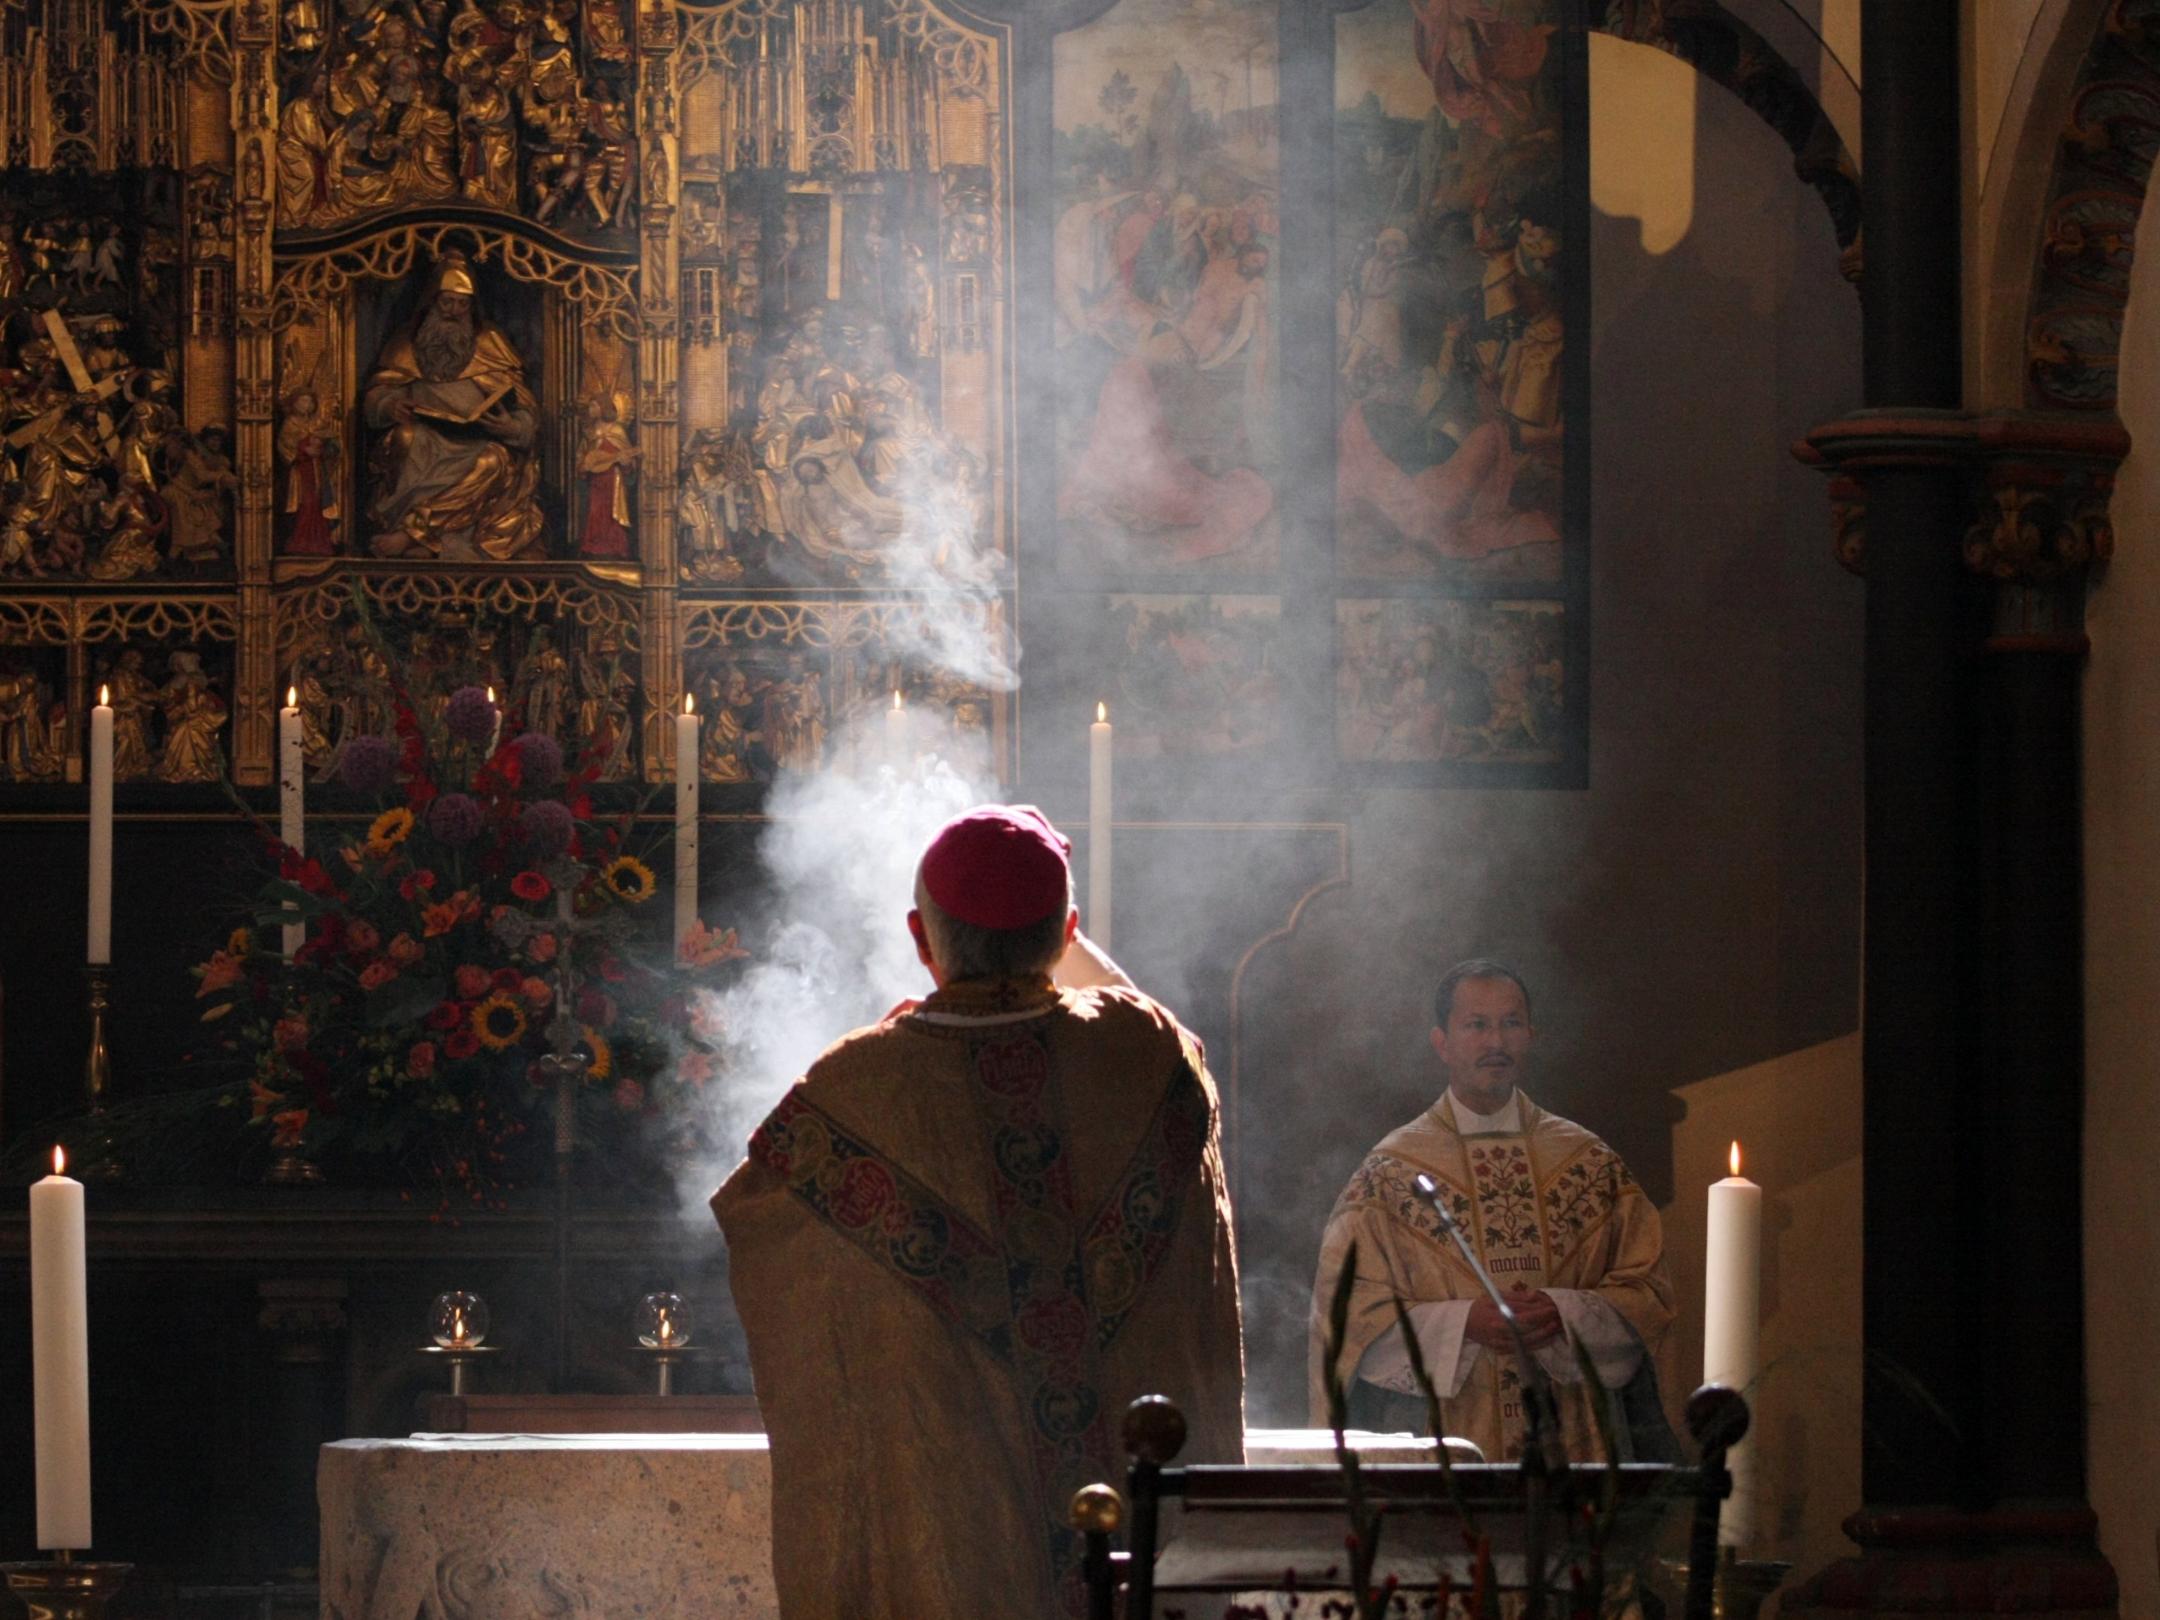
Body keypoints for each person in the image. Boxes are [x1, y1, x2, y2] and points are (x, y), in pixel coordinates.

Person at [713, 806, 1245, 1620]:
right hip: (1133, 1573)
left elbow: (756, 1217)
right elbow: (1175, 1053)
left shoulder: (856, 1093)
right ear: (1067, 931)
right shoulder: (1149, 1057)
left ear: (921, 940)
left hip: (959, 1559)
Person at [1308, 959, 1676, 1464]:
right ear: (1442, 1042)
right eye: (1476, 1025)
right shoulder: (1390, 1174)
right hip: (1444, 1442)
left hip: (1570, 1442)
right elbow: (1347, 1316)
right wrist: (1464, 1324)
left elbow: (1647, 1292)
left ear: (1531, 1035)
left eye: (1511, 1023)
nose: (1496, 1042)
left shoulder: (1588, 1162)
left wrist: (1562, 1312)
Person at [362, 251, 544, 560]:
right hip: (424, 438)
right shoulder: (408, 341)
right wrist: (389, 405)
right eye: (447, 302)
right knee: (402, 441)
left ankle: (413, 534)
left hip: (479, 442)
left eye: (463, 304)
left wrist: (513, 426)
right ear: (433, 301)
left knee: (495, 461)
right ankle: (428, 540)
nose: (454, 312)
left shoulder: (490, 341)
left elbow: (526, 407)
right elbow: (378, 391)